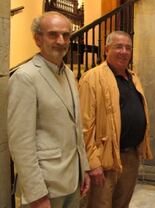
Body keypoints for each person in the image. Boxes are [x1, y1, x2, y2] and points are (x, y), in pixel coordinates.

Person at [7, 12, 90, 208]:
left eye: (66, 35)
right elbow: (21, 143)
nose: (61, 41)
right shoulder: (25, 77)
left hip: (72, 181)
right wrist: (36, 194)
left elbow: (76, 128)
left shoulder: (69, 74)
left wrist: (83, 168)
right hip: (46, 187)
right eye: (53, 35)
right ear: (38, 39)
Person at [78, 31, 153, 208]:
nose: (124, 51)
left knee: (122, 204)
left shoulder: (133, 77)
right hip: (105, 161)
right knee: (100, 205)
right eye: (118, 47)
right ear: (106, 50)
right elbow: (84, 125)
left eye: (128, 47)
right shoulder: (92, 78)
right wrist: (92, 163)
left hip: (130, 156)